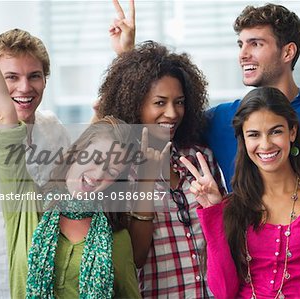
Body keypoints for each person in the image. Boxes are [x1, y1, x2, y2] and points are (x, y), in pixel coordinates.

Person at [0, 1, 146, 297]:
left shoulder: (52, 128)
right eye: (10, 77)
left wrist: (124, 57)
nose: (24, 87)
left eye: (34, 76)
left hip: (61, 272)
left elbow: (95, 146)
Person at [181, 87, 300, 298]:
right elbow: (223, 291)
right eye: (254, 135)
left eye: (276, 131)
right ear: (243, 139)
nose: (265, 144)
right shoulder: (234, 205)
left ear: (292, 132)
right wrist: (213, 212)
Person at [96, 41, 226, 298]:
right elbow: (133, 258)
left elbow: (222, 237)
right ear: (135, 104)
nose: (172, 113)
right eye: (159, 103)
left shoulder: (200, 156)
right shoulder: (116, 168)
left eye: (179, 102)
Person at [204, 3, 300, 191]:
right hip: (243, 220)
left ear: (288, 52)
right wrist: (151, 208)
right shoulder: (220, 119)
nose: (243, 55)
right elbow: (159, 131)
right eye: (241, 45)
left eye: (255, 44)